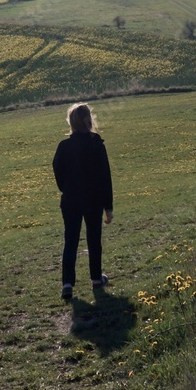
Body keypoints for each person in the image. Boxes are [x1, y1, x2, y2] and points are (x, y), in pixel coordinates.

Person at [52, 103, 113, 301]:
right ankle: (96, 278)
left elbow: (57, 170)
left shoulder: (64, 146)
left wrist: (66, 189)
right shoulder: (96, 144)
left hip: (70, 199)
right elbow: (105, 176)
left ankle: (67, 284)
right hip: (93, 199)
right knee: (94, 238)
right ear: (89, 121)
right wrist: (108, 206)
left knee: (70, 240)